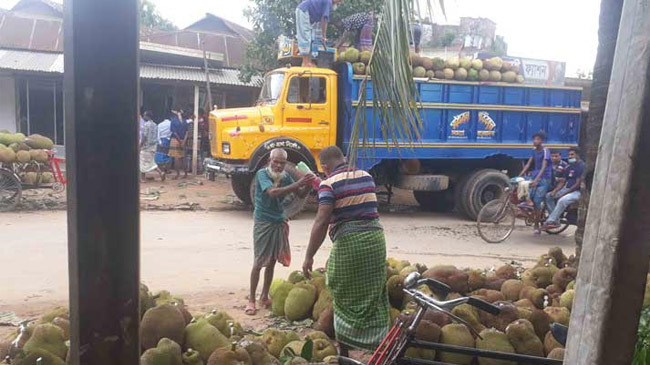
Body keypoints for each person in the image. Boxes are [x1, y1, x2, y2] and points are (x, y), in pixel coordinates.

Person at [302, 146, 390, 354]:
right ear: (343, 158)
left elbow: (322, 221)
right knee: (373, 293)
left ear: (324, 166)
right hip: (376, 240)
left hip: (351, 244)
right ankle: (379, 347)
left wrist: (309, 256)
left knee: (342, 292)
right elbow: (355, 202)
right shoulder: (366, 176)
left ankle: (345, 351)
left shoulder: (328, 184)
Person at [246, 149, 315, 315]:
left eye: (282, 163)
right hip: (263, 221)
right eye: (275, 162)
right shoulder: (262, 174)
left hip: (278, 221)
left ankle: (264, 296)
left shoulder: (285, 177)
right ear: (270, 160)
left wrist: (308, 184)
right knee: (259, 262)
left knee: (271, 261)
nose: (278, 165)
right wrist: (298, 184)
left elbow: (299, 194)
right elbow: (272, 192)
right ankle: (251, 300)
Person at [518, 132, 552, 234]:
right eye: (534, 139)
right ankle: (531, 216)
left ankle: (537, 225)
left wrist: (537, 180)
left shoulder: (546, 151)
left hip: (545, 178)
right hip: (535, 175)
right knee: (525, 196)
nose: (535, 141)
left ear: (542, 141)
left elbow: (543, 166)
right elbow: (528, 164)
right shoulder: (533, 151)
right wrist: (519, 175)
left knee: (537, 201)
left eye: (537, 139)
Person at [544, 148, 584, 229]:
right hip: (568, 189)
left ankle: (551, 220)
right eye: (569, 155)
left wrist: (564, 193)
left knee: (562, 200)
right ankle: (555, 219)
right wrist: (555, 191)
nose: (570, 156)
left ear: (577, 155)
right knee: (548, 196)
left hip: (578, 192)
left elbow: (577, 184)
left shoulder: (582, 166)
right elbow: (563, 182)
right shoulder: (569, 167)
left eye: (572, 154)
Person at [295, 0, 343, 67]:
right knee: (305, 34)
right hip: (304, 10)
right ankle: (305, 62)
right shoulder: (328, 2)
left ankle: (308, 61)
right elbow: (324, 19)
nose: (340, 3)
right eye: (340, 1)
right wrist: (324, 36)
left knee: (311, 37)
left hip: (307, 13)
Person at [139, 111, 165, 182]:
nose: (143, 117)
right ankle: (161, 172)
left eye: (144, 115)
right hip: (153, 147)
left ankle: (142, 178)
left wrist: (140, 145)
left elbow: (144, 136)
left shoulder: (146, 125)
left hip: (146, 147)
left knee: (143, 162)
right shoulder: (155, 125)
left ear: (147, 116)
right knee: (151, 162)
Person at [168, 109, 188, 180]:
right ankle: (185, 174)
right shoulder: (185, 121)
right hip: (183, 140)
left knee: (176, 158)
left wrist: (179, 141)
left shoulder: (173, 121)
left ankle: (178, 174)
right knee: (183, 158)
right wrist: (183, 141)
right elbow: (187, 132)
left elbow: (174, 133)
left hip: (175, 140)